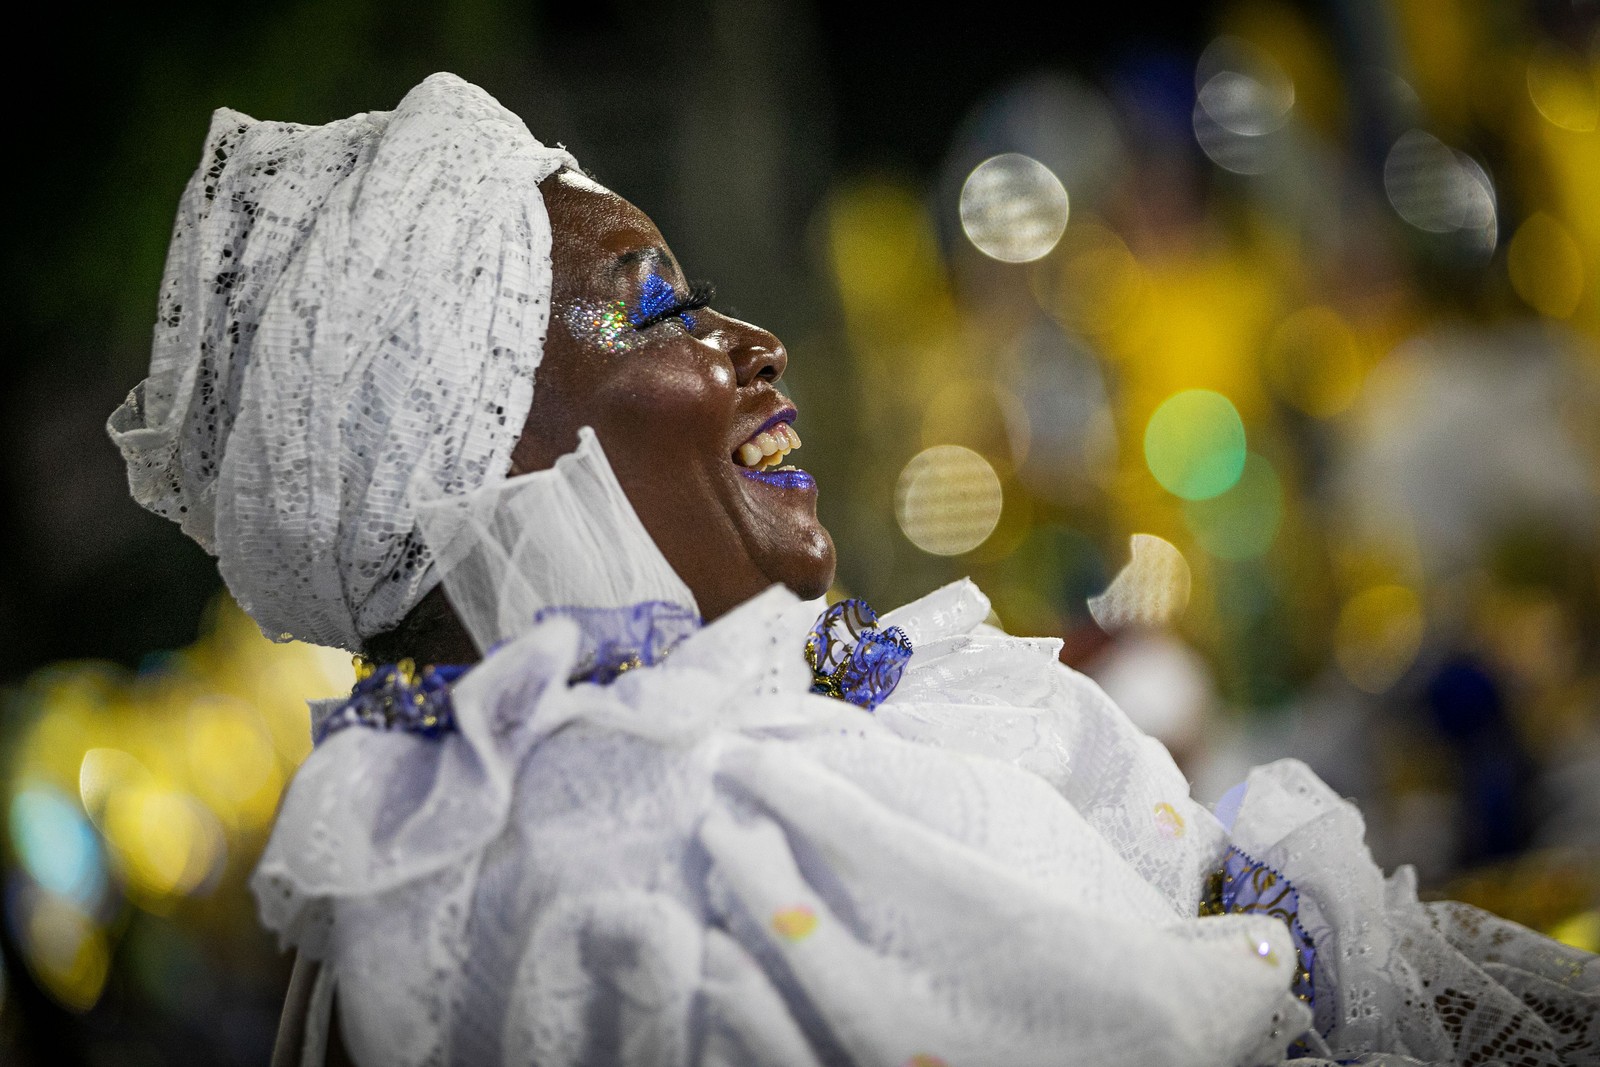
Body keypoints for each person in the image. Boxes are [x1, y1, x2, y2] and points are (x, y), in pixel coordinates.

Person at [109, 74, 1597, 1067]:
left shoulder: (754, 755)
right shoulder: (653, 847)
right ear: (486, 452)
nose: (746, 340)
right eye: (661, 309)